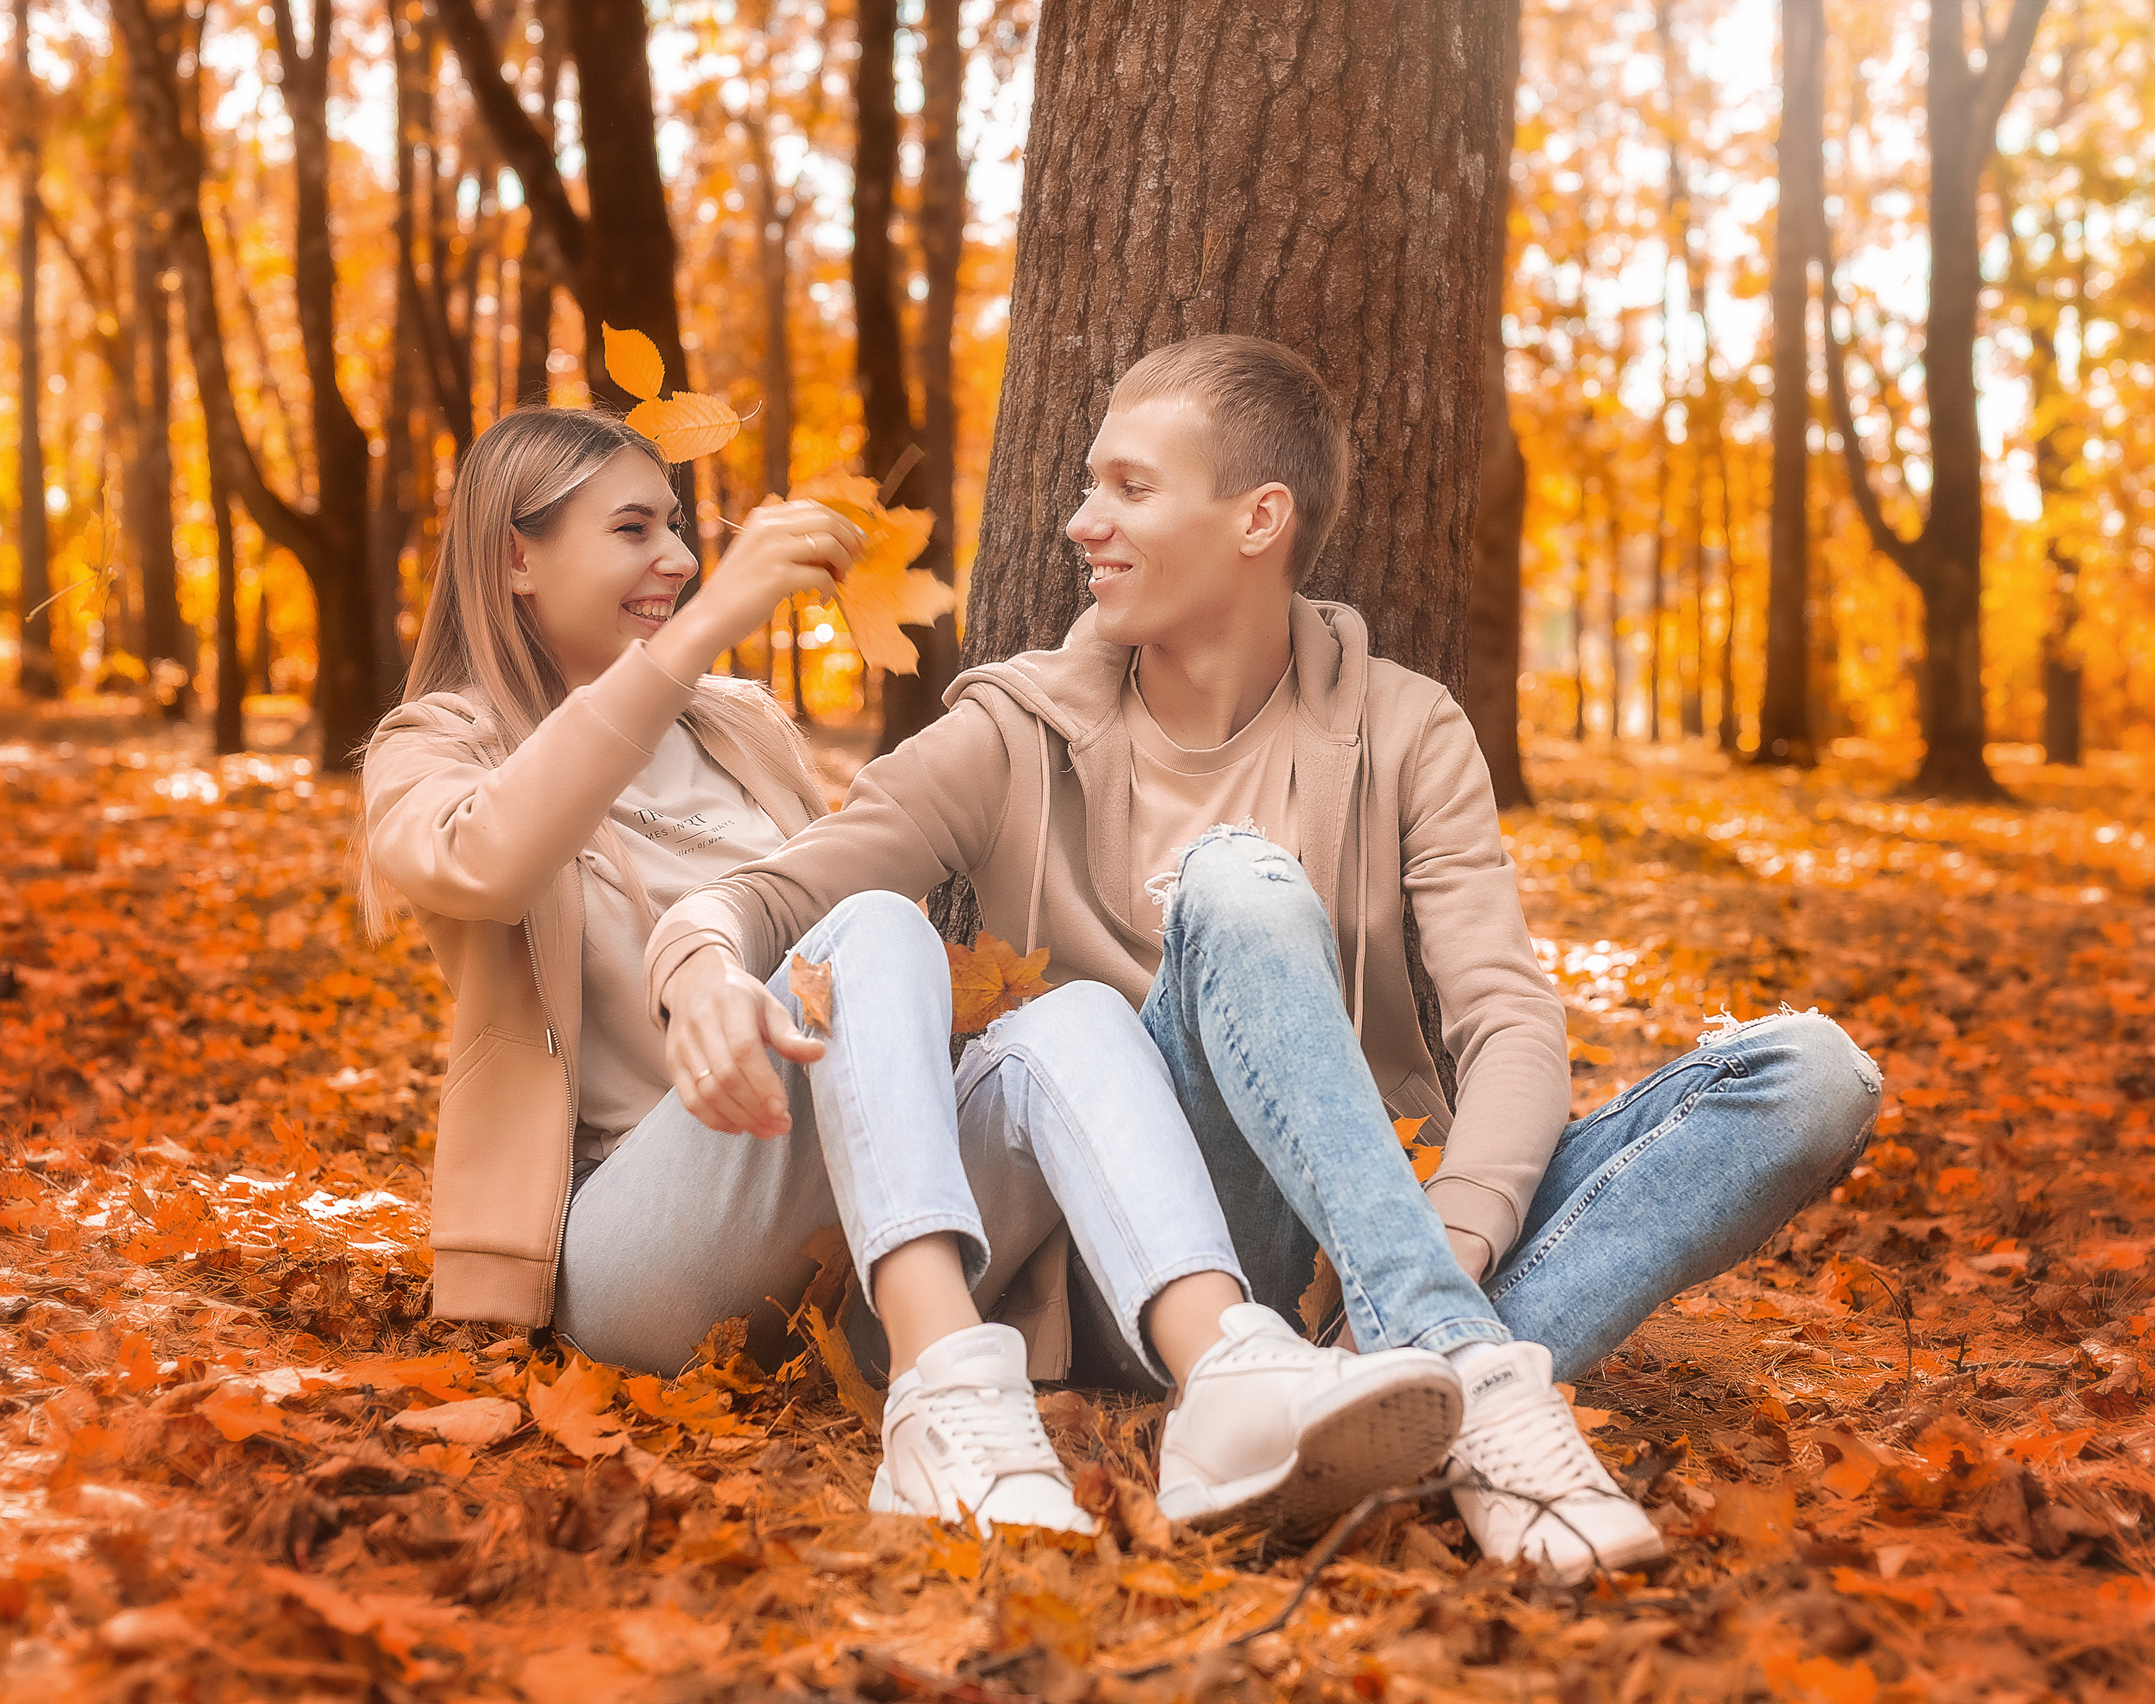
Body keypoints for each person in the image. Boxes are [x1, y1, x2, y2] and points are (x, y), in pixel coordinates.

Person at [649, 337, 1885, 1580]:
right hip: (1150, 1270)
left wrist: (1437, 1243)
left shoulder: (1405, 727)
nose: (1083, 523)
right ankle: (1468, 1381)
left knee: (1809, 1077)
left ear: (1260, 517)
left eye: (1130, 489)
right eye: (1088, 486)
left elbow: (1505, 1021)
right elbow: (784, 892)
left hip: (1355, 1240)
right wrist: (698, 958)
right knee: (1237, 882)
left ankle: (1379, 1388)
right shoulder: (1012, 730)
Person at [358, 406, 1468, 1541]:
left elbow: (820, 930)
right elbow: (484, 863)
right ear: (515, 556)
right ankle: (946, 1394)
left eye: (680, 528)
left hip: (858, 1248)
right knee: (876, 929)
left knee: (1074, 1013)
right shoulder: (439, 748)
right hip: (644, 1252)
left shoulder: (737, 727)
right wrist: (706, 632)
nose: (681, 560)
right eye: (634, 529)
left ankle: (1230, 1381)